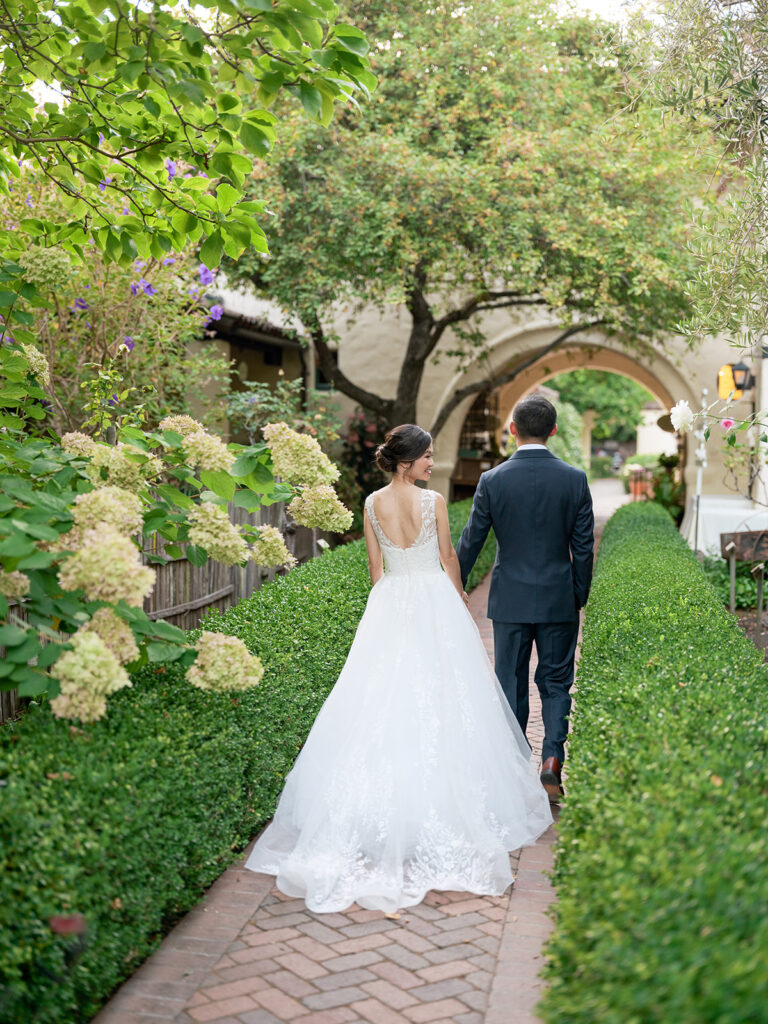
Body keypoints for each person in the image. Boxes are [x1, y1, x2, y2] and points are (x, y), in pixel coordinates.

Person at [245, 424, 552, 913]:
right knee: (444, 697)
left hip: (390, 601)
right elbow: (449, 556)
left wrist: (385, 610)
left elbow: (376, 569)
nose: (432, 462)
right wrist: (460, 598)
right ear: (407, 461)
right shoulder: (430, 504)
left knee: (382, 698)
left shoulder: (370, 504)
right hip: (433, 597)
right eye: (427, 456)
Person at [456, 395, 594, 802]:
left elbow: (471, 541)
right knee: (555, 682)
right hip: (558, 599)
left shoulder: (492, 480)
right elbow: (583, 549)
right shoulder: (574, 479)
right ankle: (552, 759)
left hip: (510, 599)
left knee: (510, 681)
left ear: (512, 429)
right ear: (553, 430)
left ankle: (515, 769)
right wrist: (577, 596)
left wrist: (455, 586)